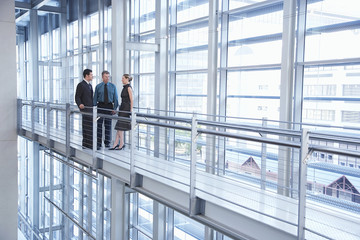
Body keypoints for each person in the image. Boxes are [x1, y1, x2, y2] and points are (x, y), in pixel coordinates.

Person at [93, 71, 119, 149]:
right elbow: (95, 98)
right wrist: (94, 108)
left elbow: (116, 98)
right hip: (100, 106)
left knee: (108, 125)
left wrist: (115, 108)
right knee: (99, 126)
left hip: (109, 107)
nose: (107, 78)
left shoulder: (113, 86)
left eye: (108, 76)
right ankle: (98, 143)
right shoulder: (98, 86)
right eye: (106, 76)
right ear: (102, 77)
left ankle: (107, 142)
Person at [109, 74, 133, 150]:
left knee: (120, 126)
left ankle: (121, 143)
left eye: (123, 78)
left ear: (127, 79)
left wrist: (130, 110)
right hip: (122, 107)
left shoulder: (129, 88)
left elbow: (131, 100)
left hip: (126, 109)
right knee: (119, 127)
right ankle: (116, 143)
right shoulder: (125, 87)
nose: (121, 80)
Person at [75, 69, 94, 149]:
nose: (92, 76)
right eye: (91, 75)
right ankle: (86, 144)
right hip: (85, 109)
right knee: (87, 126)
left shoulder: (90, 85)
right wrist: (80, 104)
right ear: (87, 75)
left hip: (91, 109)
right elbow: (77, 96)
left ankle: (88, 144)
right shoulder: (81, 85)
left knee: (90, 126)